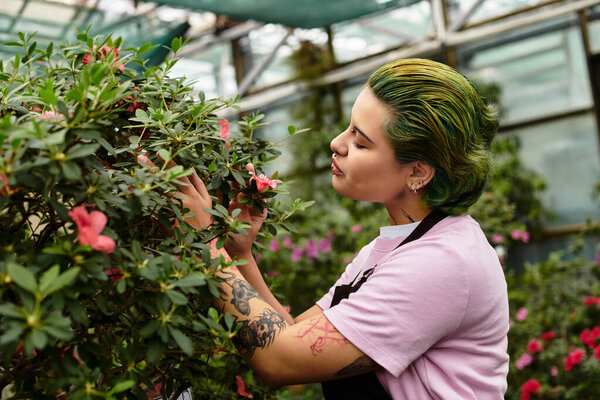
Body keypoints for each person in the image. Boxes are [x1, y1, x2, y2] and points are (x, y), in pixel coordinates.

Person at [139, 58, 509, 399]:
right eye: (349, 128)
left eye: (360, 142)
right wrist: (239, 254)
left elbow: (280, 360)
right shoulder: (398, 247)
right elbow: (296, 346)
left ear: (418, 172)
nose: (337, 144)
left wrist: (203, 240)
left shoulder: (442, 264)